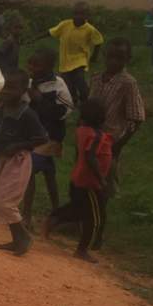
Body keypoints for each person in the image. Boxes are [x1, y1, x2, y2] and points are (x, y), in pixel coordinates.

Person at [0, 68, 48, 255]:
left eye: (12, 88)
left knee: (5, 203)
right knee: (2, 201)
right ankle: (17, 239)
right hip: (3, 159)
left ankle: (23, 237)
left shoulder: (27, 114)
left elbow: (41, 139)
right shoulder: (1, 110)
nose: (6, 91)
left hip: (18, 160)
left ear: (23, 90)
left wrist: (18, 146)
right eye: (5, 86)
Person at [44, 99, 113, 263]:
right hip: (91, 182)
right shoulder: (97, 136)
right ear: (101, 118)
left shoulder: (82, 130)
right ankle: (82, 249)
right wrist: (101, 179)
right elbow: (91, 157)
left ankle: (56, 217)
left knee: (79, 209)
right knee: (95, 218)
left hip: (79, 177)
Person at [87, 36, 145, 229]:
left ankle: (97, 225)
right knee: (84, 180)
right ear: (104, 56)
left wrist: (118, 145)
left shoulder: (128, 83)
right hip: (89, 139)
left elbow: (136, 118)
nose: (114, 62)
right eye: (110, 57)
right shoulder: (96, 78)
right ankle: (82, 219)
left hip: (109, 142)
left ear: (127, 59)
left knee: (104, 184)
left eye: (119, 58)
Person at [21, 48, 73, 228]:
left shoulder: (57, 84)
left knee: (29, 172)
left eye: (37, 65)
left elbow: (65, 111)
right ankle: (56, 212)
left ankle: (26, 217)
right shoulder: (29, 83)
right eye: (30, 63)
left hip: (50, 136)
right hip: (34, 136)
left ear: (49, 66)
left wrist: (40, 100)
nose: (32, 67)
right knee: (49, 174)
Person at [46, 2, 103, 104]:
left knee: (79, 80)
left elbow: (98, 41)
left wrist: (94, 56)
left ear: (87, 15)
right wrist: (34, 38)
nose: (78, 16)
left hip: (80, 59)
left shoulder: (89, 29)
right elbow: (51, 32)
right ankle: (73, 100)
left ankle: (86, 100)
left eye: (82, 14)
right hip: (65, 60)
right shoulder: (65, 25)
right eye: (76, 13)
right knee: (68, 83)